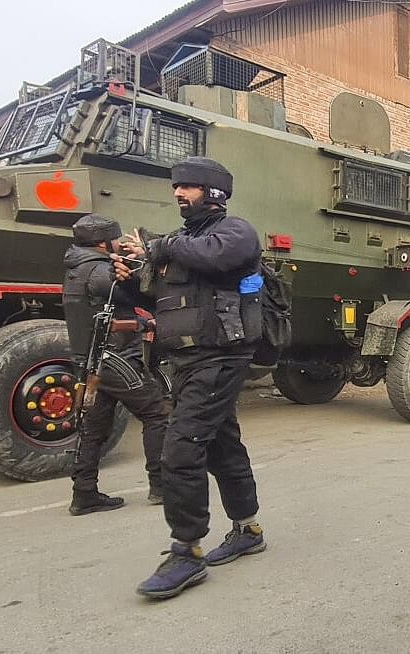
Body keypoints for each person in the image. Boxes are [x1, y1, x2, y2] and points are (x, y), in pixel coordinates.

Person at [127, 157, 267, 600]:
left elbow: (212, 256)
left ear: (214, 193)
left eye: (187, 187)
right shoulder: (180, 243)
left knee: (181, 451)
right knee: (222, 444)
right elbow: (157, 293)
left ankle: (186, 551)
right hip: (186, 360)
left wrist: (160, 246)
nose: (177, 194)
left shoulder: (234, 232)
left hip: (219, 357)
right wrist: (132, 273)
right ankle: (248, 529)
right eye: (177, 187)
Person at [62, 214, 168, 516]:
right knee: (156, 413)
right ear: (101, 242)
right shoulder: (101, 272)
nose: (120, 243)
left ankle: (84, 494)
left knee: (94, 428)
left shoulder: (75, 269)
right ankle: (160, 486)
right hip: (116, 358)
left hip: (90, 361)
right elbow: (147, 298)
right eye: (116, 239)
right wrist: (135, 276)